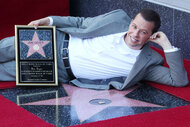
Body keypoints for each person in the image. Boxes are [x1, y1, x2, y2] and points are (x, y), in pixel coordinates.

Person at [0, 9, 188, 90]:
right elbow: (80, 22)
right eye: (134, 26)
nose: (135, 33)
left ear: (151, 36)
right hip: (53, 41)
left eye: (143, 31)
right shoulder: (116, 20)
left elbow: (179, 81)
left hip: (56, 72)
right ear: (131, 22)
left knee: (3, 72)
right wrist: (48, 21)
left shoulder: (147, 63)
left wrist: (166, 46)